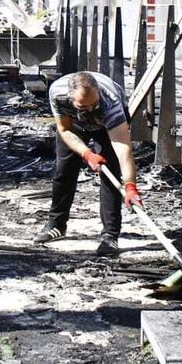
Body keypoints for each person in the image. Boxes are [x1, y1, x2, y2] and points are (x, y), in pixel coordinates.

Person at [35, 70, 142, 257]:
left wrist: (131, 186)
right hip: (73, 125)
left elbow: (123, 148)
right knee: (64, 170)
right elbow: (65, 130)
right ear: (71, 99)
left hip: (106, 124)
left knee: (110, 171)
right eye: (84, 107)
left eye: (94, 104)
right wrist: (87, 154)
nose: (91, 110)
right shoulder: (58, 94)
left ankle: (110, 234)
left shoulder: (110, 102)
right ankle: (57, 224)